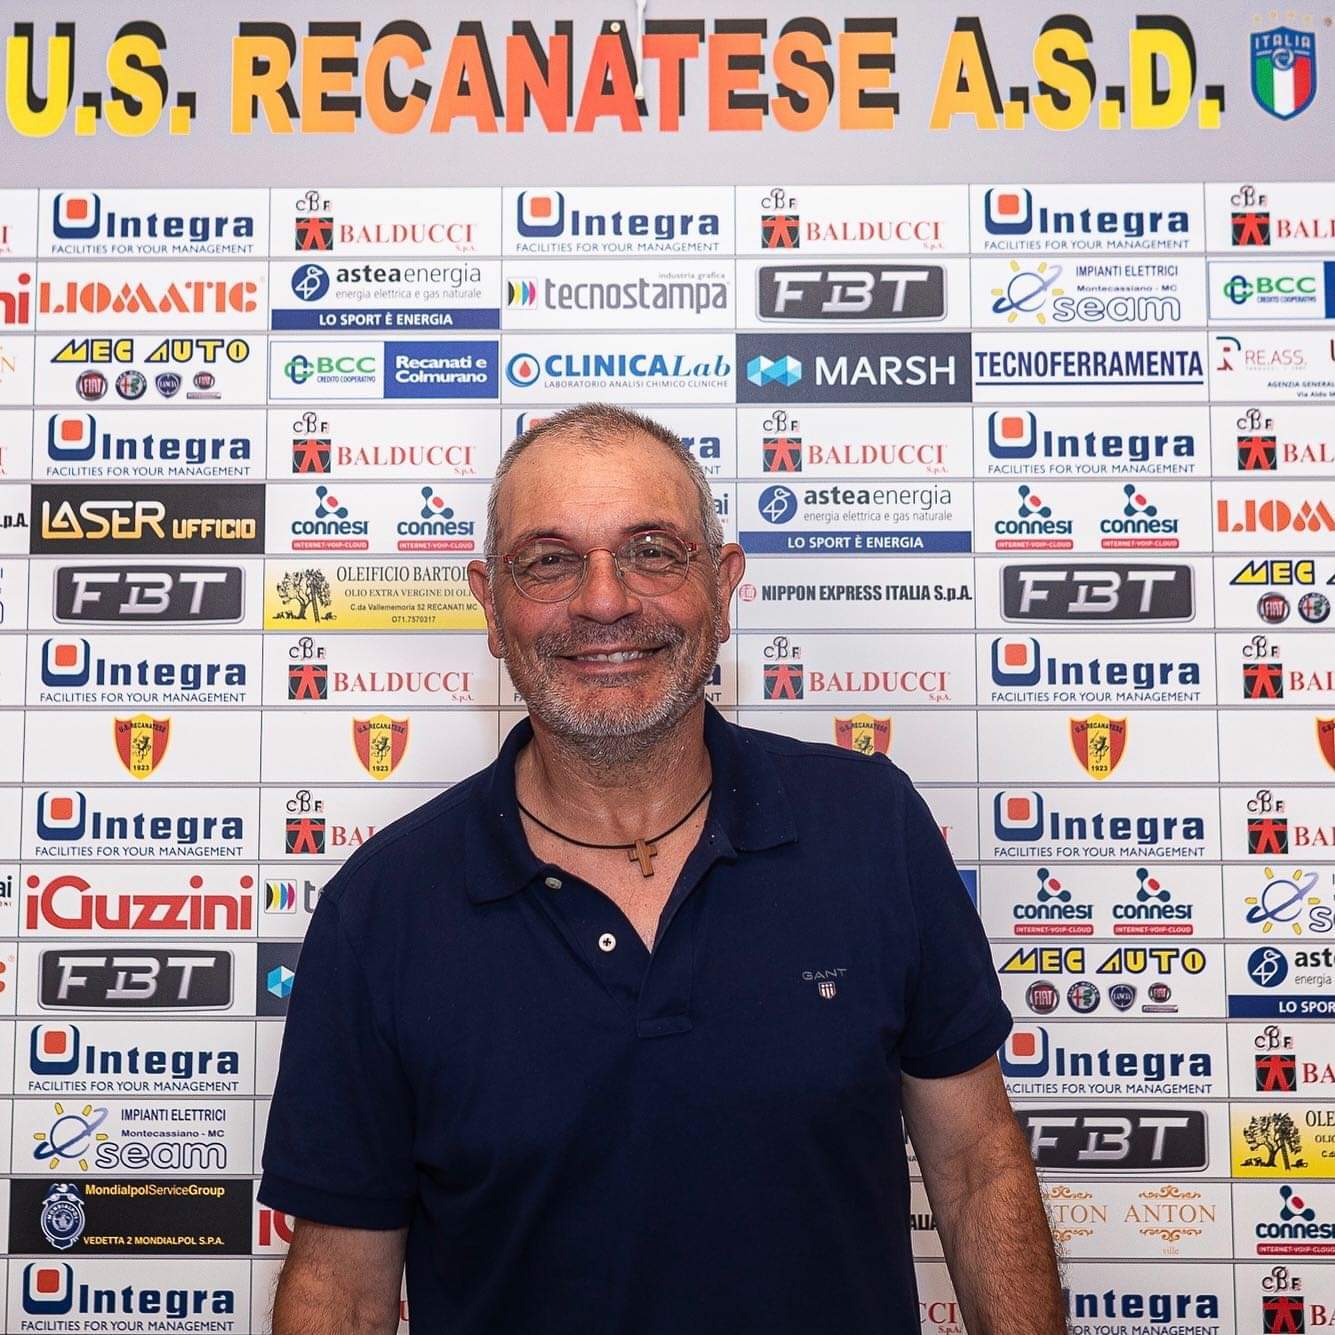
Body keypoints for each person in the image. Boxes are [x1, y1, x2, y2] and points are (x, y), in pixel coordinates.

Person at [259, 403, 1066, 1335]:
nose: (604, 601)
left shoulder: (869, 825)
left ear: (721, 585)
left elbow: (974, 1166)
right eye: (549, 561)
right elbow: (343, 1290)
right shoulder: (381, 910)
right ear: (489, 602)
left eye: (652, 551)